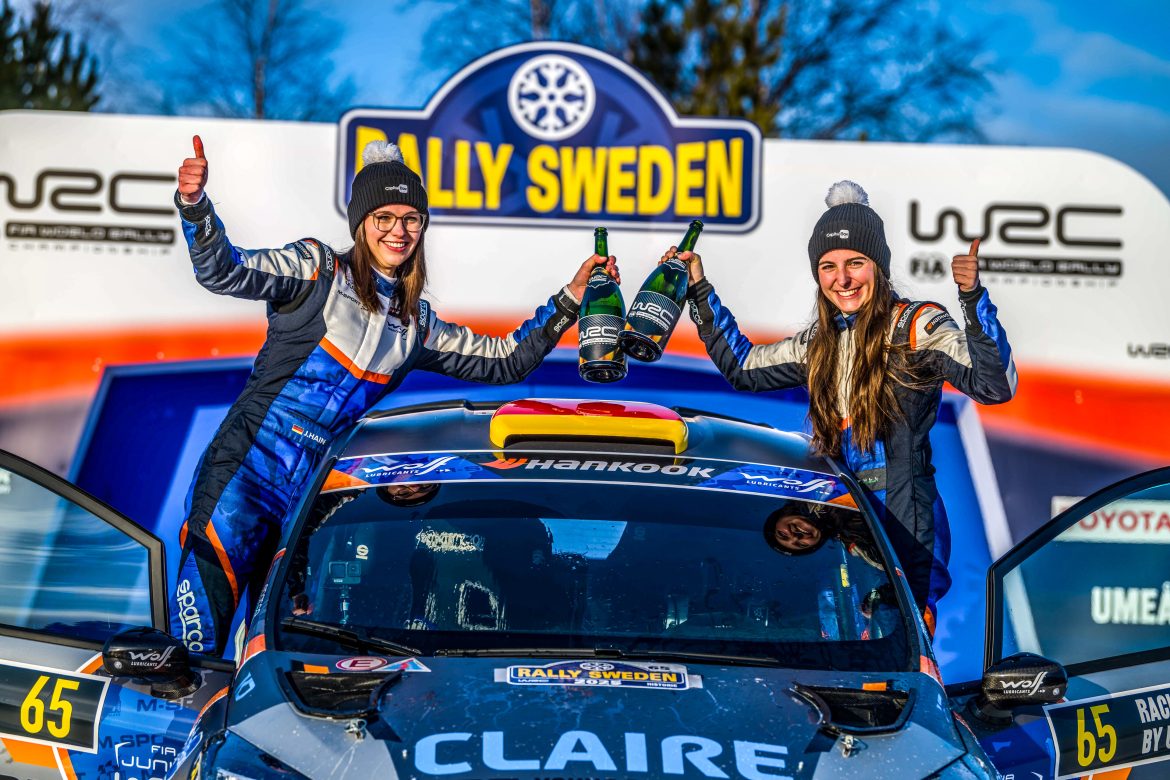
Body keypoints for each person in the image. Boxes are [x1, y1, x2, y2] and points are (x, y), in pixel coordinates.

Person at [170, 136, 618, 655]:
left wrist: (570, 300)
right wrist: (195, 206)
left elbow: (507, 360)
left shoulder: (416, 324)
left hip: (311, 499)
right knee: (197, 645)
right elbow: (223, 269)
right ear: (361, 223)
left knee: (281, 650)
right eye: (383, 217)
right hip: (243, 476)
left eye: (411, 219)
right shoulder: (315, 269)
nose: (398, 231)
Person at [677, 180, 1016, 635]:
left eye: (856, 263)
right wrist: (699, 290)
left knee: (898, 632)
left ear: (879, 266)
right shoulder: (820, 342)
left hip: (903, 512)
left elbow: (994, 385)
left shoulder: (916, 326)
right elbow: (744, 368)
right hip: (841, 512)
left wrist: (973, 300)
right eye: (828, 266)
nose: (843, 279)